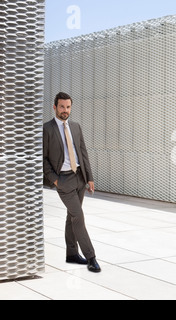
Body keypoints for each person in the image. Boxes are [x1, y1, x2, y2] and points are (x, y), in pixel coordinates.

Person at [43, 92, 101, 273]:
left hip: (79, 178)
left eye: (68, 107)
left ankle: (72, 253)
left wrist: (89, 177)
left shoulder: (75, 127)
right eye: (61, 107)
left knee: (72, 216)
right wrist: (55, 180)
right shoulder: (47, 129)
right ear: (54, 107)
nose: (65, 110)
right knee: (78, 216)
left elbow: (83, 153)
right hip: (64, 180)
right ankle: (91, 257)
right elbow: (42, 158)